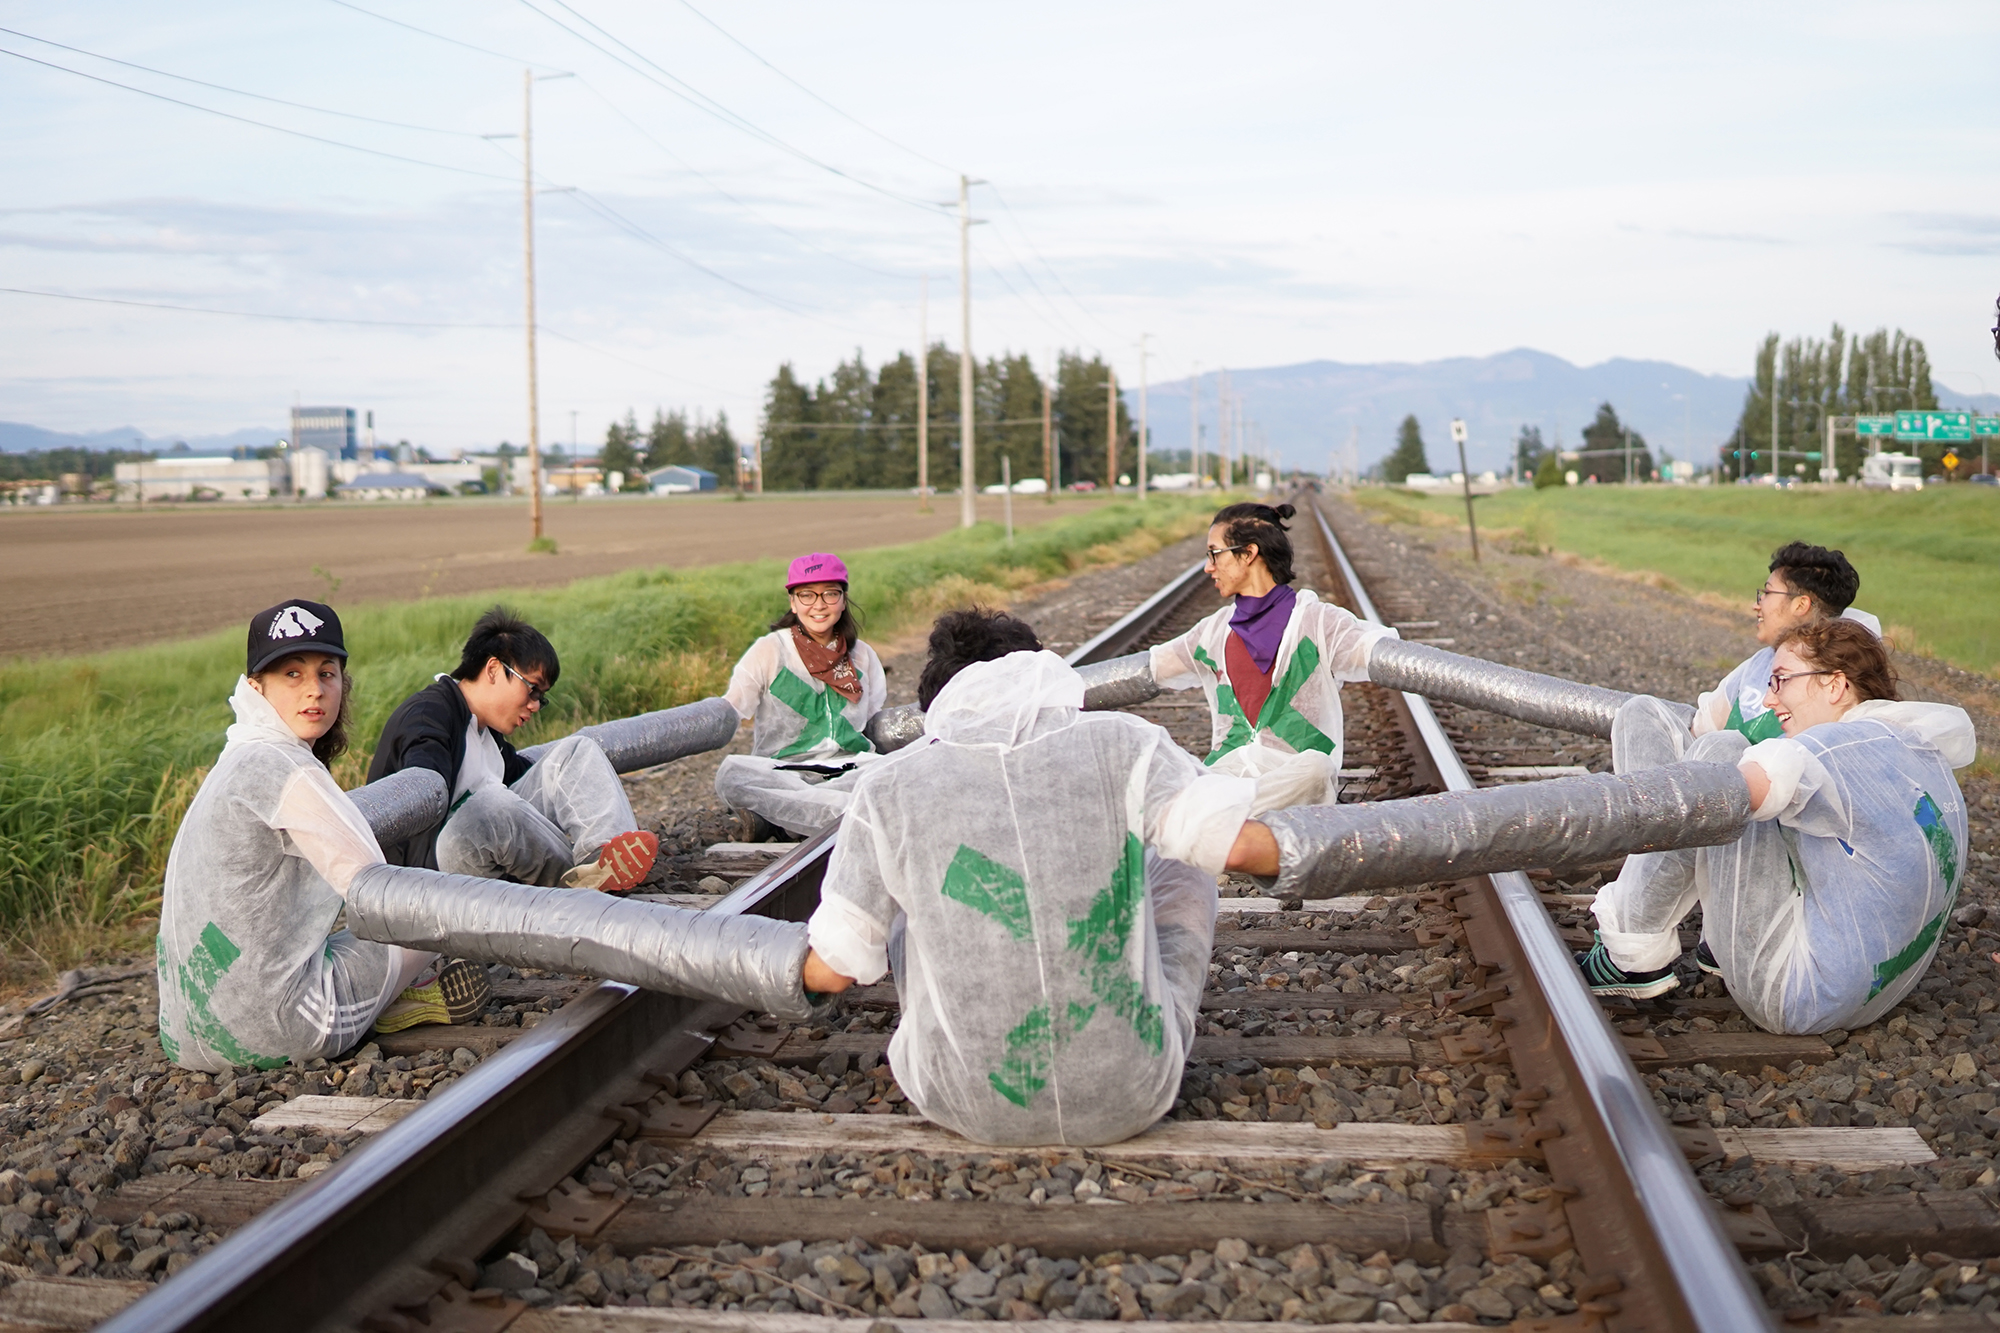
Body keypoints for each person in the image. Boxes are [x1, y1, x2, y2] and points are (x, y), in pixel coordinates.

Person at [798, 608, 1280, 1147]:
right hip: (1131, 1095)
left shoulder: (888, 787)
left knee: (905, 884)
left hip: (960, 1100)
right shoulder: (1124, 742)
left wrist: (727, 958)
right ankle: (1133, 1029)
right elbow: (1239, 847)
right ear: (1039, 674)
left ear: (942, 704)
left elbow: (830, 973)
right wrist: (1370, 841)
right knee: (1186, 851)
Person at [1576, 618, 1973, 1034]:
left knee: (1722, 755)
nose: (1769, 699)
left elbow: (1731, 789)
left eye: (1781, 680)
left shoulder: (1833, 749)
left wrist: (1602, 814)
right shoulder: (1909, 745)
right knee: (1706, 756)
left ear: (1834, 685)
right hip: (1872, 995)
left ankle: (1630, 958)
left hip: (1793, 992)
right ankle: (1708, 940)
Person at [156, 600, 491, 1072]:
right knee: (429, 909)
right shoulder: (287, 769)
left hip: (185, 1037)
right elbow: (378, 895)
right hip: (279, 1029)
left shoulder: (234, 760)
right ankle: (399, 1000)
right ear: (257, 687)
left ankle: (384, 997)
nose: (313, 690)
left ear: (341, 682)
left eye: (326, 673)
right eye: (292, 674)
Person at [367, 607, 657, 893]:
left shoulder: (487, 733)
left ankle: (602, 857)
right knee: (487, 807)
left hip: (483, 870)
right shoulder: (428, 716)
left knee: (576, 751)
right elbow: (419, 791)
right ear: (493, 669)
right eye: (532, 689)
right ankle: (585, 889)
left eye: (541, 698)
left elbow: (527, 794)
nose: (534, 705)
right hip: (428, 886)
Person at [1149, 502, 1398, 809]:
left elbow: (1386, 657)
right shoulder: (1213, 633)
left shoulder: (1317, 623)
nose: (1208, 567)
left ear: (1249, 553)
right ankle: (1223, 816)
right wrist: (1072, 687)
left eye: (1214, 553)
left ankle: (1219, 819)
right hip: (1225, 778)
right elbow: (1150, 669)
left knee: (1317, 769)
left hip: (1292, 787)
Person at [714, 553, 887, 838]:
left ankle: (790, 819)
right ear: (793, 603)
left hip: (849, 769)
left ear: (843, 600)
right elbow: (732, 708)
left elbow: (873, 720)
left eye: (830, 594)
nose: (819, 605)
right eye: (806, 595)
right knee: (732, 774)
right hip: (784, 772)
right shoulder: (769, 650)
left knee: (895, 770)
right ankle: (848, 816)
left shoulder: (863, 655)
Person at [1693, 541, 1878, 744]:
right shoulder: (1758, 664)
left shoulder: (1840, 680)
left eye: (1767, 593)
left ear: (1800, 604)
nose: (1757, 604)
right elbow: (1701, 728)